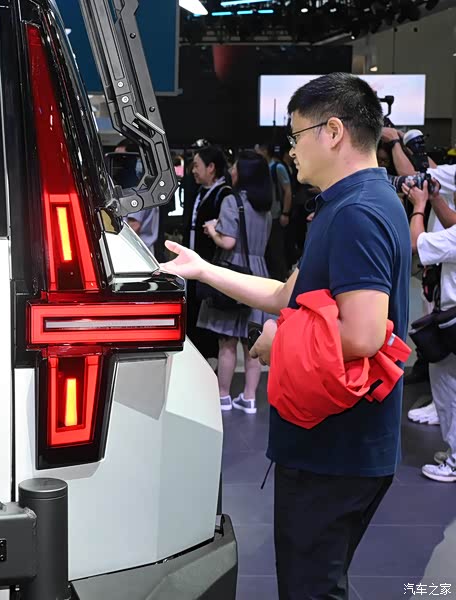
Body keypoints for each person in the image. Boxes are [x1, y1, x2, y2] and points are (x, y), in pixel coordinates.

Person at [160, 73, 411, 599]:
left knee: (310, 589)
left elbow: (363, 334)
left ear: (333, 131)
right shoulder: (352, 202)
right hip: (334, 441)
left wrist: (281, 343)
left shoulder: (357, 212)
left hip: (335, 447)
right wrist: (204, 269)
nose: (290, 149)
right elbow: (283, 294)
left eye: (296, 135)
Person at [196, 150, 273, 413]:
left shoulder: (232, 201)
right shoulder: (264, 206)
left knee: (227, 340)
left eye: (236, 168)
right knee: (253, 343)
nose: (232, 171)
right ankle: (249, 398)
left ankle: (223, 396)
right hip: (258, 273)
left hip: (235, 273)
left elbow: (228, 241)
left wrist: (212, 230)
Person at [406, 177, 456, 483]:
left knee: (448, 389)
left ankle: (454, 461)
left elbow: (416, 243)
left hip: (453, 320)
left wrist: (420, 205)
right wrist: (437, 198)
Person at [185, 146, 232, 361]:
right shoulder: (201, 191)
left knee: (206, 309)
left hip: (211, 262)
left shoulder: (224, 194)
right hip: (196, 261)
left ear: (211, 167)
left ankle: (207, 356)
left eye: (197, 165)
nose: (193, 170)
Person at [256, 142, 293, 281]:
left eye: (259, 149)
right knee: (269, 251)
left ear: (265, 151)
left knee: (276, 249)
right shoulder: (265, 167)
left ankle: (281, 279)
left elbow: (288, 191)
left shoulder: (277, 167)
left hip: (276, 214)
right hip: (266, 215)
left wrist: (285, 213)